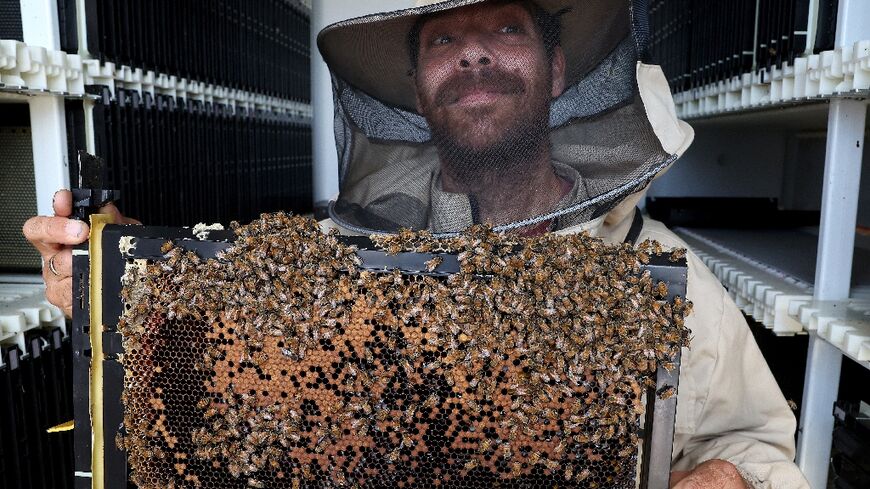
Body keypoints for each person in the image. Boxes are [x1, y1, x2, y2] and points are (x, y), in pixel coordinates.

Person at [25, 0, 810, 487]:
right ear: (415, 86)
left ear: (558, 67)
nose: (473, 53)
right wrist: (120, 290)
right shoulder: (330, 262)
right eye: (443, 40)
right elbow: (217, 390)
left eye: (506, 26)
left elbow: (762, 447)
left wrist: (731, 477)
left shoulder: (665, 277)